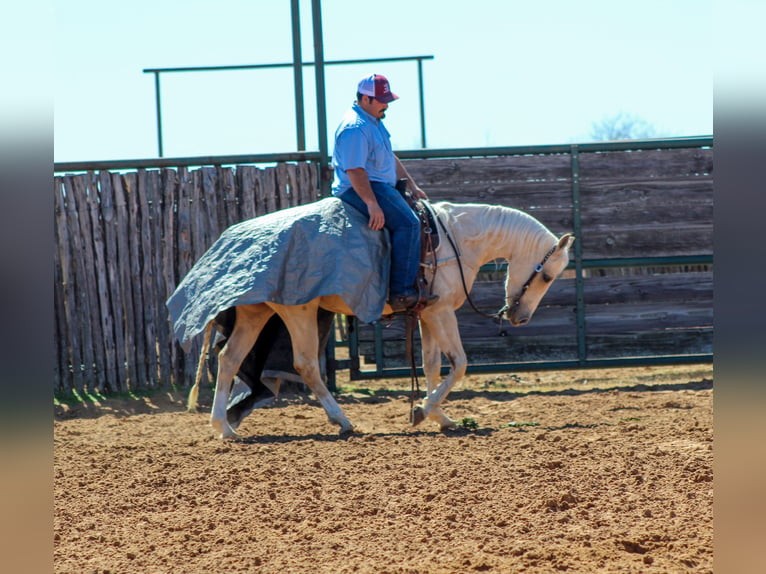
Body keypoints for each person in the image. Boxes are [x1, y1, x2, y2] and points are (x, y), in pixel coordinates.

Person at [331, 73, 438, 313]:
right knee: (409, 224)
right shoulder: (355, 128)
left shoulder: (373, 122)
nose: (386, 105)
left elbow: (389, 157)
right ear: (366, 99)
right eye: (382, 100)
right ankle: (401, 292)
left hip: (377, 185)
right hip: (360, 187)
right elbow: (355, 169)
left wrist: (412, 185)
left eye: (387, 99)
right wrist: (371, 204)